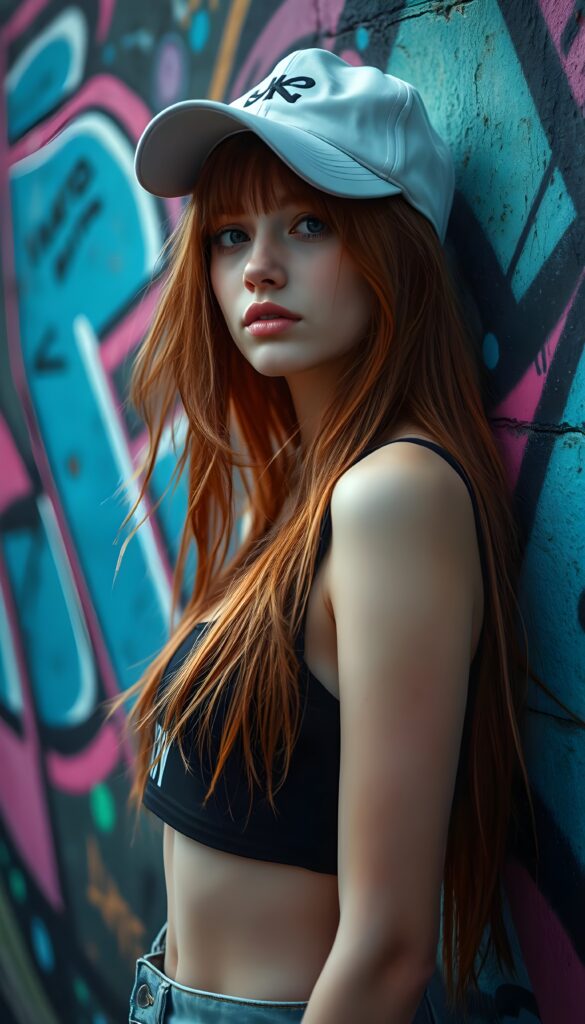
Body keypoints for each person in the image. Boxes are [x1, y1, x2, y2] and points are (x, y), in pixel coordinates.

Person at [109, 48, 539, 1024]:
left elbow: (387, 949)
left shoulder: (394, 494)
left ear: (397, 247)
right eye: (228, 234)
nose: (258, 265)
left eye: (308, 223)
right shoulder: (310, 488)